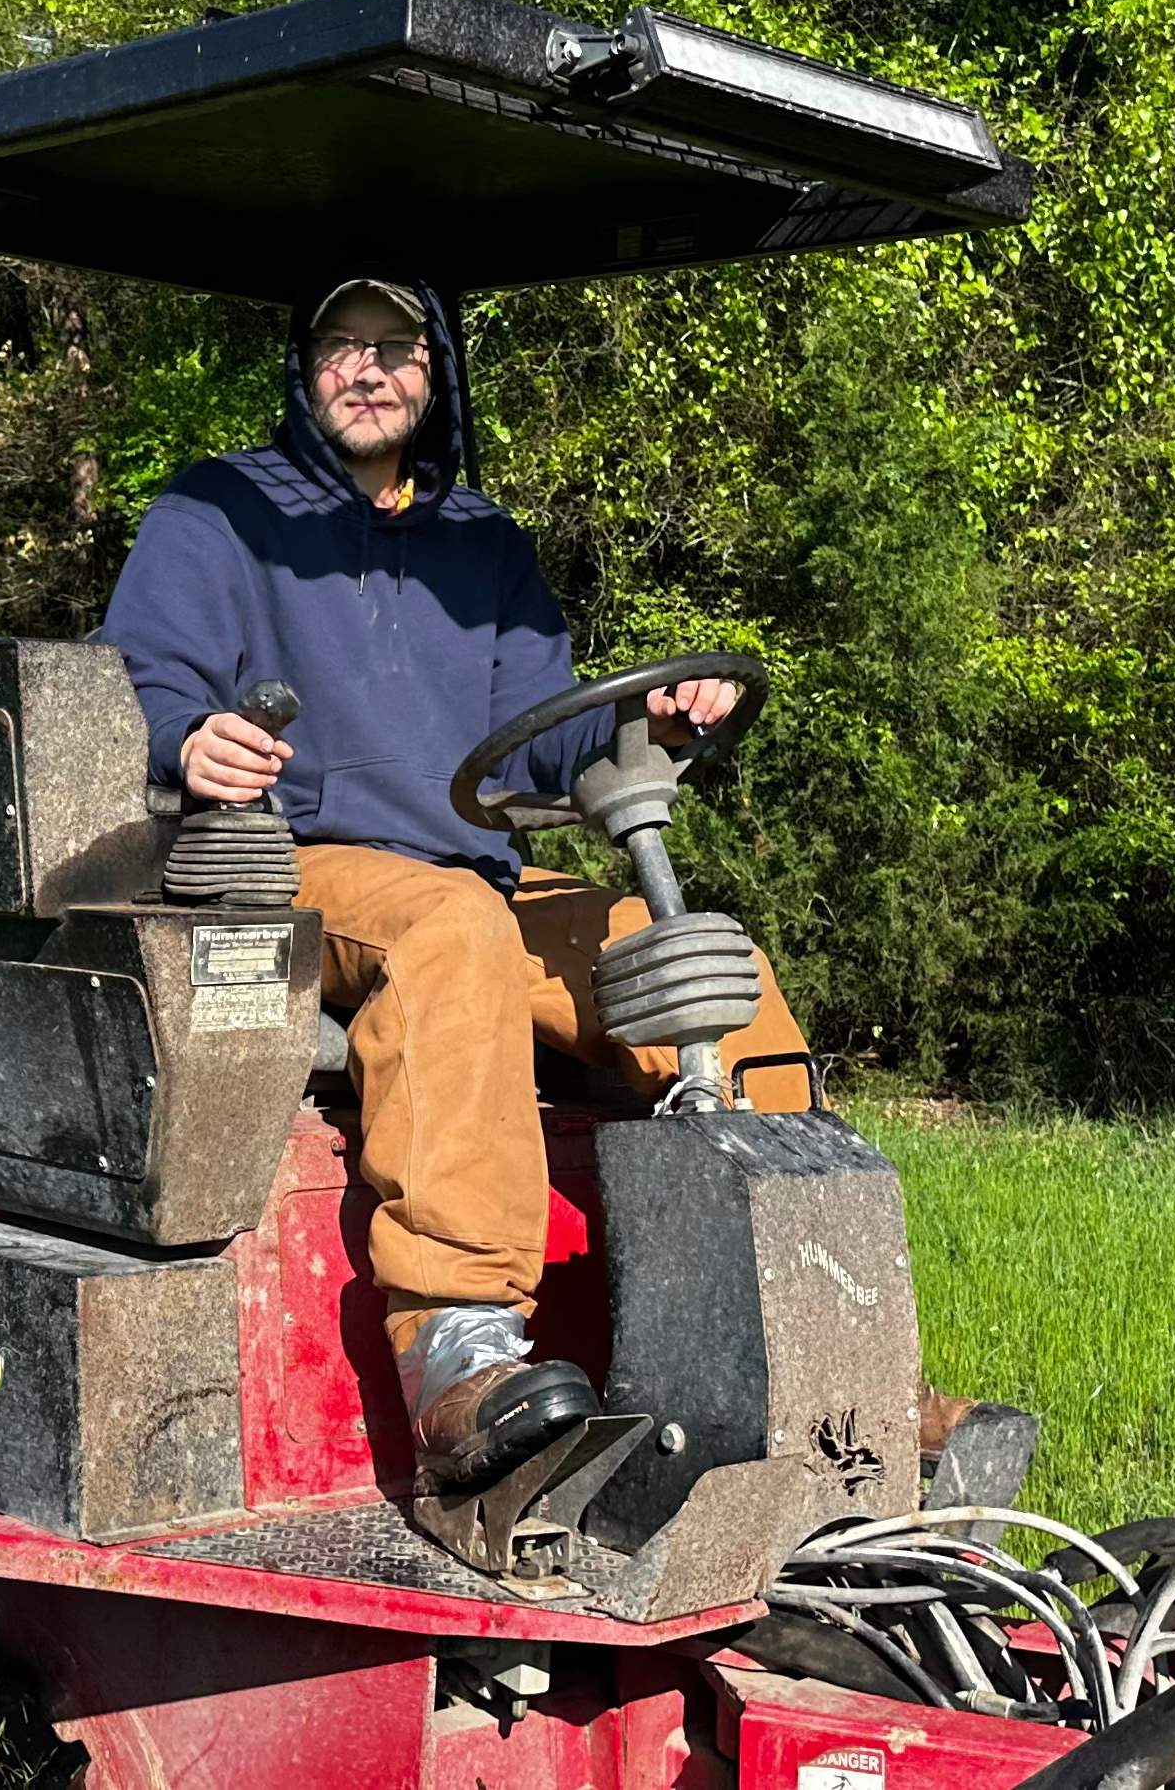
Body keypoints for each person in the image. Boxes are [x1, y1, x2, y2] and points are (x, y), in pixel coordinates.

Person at [97, 273, 814, 1492]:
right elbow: (141, 683)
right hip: (293, 870)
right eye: (342, 346)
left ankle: (809, 1337)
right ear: (303, 364)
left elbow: (534, 743)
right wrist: (187, 740)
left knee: (702, 960)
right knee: (455, 923)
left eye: (395, 348)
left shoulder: (483, 543)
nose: (368, 370)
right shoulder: (215, 512)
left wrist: (652, 723)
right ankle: (457, 1349)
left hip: (470, 867)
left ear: (434, 374)